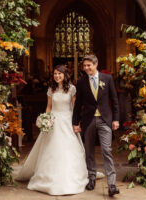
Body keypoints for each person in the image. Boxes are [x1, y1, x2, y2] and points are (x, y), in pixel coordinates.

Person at [14, 65, 88, 195]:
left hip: (67, 121)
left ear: (65, 75)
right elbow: (49, 106)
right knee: (51, 149)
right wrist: (46, 118)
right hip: (53, 121)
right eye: (55, 74)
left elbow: (74, 107)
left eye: (59, 74)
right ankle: (48, 177)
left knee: (68, 149)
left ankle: (69, 177)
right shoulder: (51, 89)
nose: (57, 76)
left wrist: (76, 122)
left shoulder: (71, 89)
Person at [72, 55, 120, 197]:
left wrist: (116, 119)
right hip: (88, 121)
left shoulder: (107, 79)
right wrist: (75, 122)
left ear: (96, 64)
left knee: (106, 150)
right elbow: (78, 105)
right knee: (89, 152)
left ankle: (111, 184)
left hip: (105, 120)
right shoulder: (81, 82)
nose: (86, 68)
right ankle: (91, 178)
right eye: (84, 66)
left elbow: (115, 100)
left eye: (89, 65)